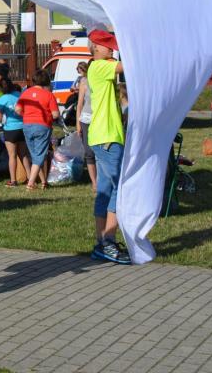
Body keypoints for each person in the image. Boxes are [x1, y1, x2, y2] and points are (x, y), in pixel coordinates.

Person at [85, 29, 131, 265]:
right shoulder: (100, 66)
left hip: (102, 136)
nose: (112, 49)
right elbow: (129, 65)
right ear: (95, 47)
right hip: (107, 137)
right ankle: (109, 241)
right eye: (108, 45)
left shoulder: (97, 66)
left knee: (104, 190)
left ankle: (101, 242)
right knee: (117, 189)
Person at [16, 71, 58, 190]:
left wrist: (27, 115)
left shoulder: (25, 93)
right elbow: (55, 114)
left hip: (27, 125)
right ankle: (30, 184)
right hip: (42, 125)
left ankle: (44, 182)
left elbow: (17, 109)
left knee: (35, 155)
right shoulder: (48, 95)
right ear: (46, 81)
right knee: (39, 155)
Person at [0, 81, 28, 187]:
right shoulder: (20, 95)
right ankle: (30, 178)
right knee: (23, 155)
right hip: (23, 127)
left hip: (10, 129)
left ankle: (13, 181)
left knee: (12, 156)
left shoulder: (2, 99)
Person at [75, 61, 97, 191]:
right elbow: (79, 105)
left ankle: (101, 180)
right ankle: (94, 182)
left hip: (99, 120)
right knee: (89, 152)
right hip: (86, 119)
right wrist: (78, 123)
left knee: (100, 151)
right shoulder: (84, 83)